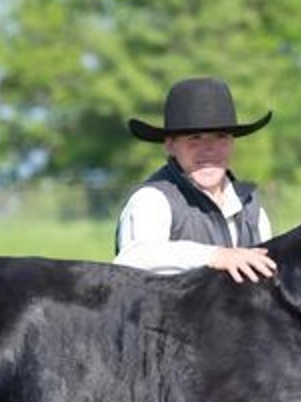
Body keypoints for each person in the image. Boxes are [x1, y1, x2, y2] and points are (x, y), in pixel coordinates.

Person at [114, 76, 277, 283]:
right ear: (171, 145)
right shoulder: (152, 199)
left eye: (220, 137)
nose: (209, 149)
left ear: (232, 143)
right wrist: (215, 255)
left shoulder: (250, 206)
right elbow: (133, 258)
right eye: (195, 138)